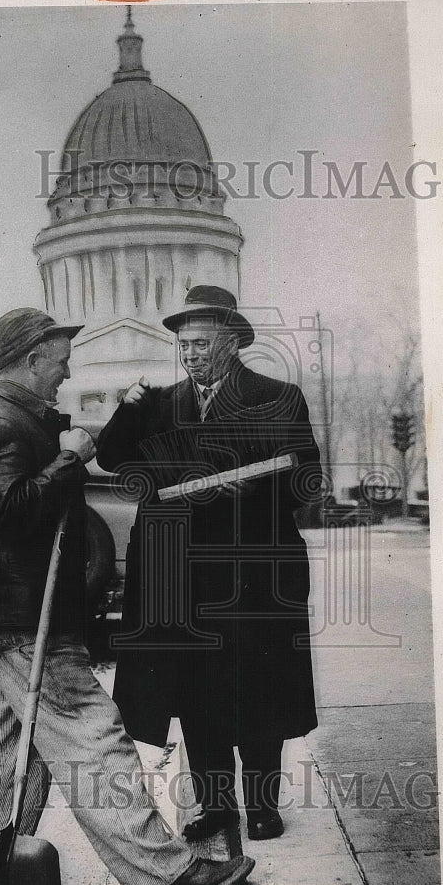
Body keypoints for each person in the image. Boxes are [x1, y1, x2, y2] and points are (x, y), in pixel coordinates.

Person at [0, 306, 254, 885]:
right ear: (32, 359)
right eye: (59, 360)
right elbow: (5, 515)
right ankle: (165, 871)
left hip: (14, 616)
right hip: (27, 619)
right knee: (95, 739)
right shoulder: (3, 425)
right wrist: (71, 458)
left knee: (8, 749)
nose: (65, 371)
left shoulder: (11, 417)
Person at [96, 286, 322, 843]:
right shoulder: (156, 403)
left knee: (258, 685)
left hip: (250, 570)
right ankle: (216, 808)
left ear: (231, 343)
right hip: (181, 575)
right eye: (183, 344)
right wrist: (126, 406)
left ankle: (262, 806)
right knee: (195, 691)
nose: (189, 354)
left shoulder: (278, 396)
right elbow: (110, 457)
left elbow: (305, 479)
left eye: (200, 343)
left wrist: (234, 488)